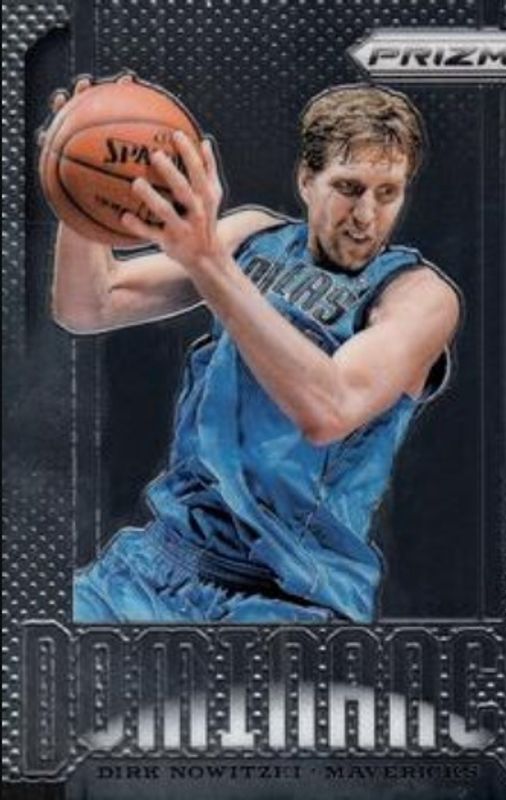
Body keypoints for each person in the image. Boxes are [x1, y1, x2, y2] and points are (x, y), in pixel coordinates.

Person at [46, 76, 460, 624]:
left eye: (388, 193)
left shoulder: (416, 296)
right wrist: (75, 188)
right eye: (349, 187)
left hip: (288, 597)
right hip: (158, 564)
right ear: (307, 179)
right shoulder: (251, 237)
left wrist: (207, 262)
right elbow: (88, 305)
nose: (367, 215)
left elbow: (330, 409)